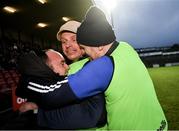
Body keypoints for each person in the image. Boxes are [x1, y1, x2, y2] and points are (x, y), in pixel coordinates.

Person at [24, 6, 168, 130]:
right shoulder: (126, 47)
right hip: (160, 124)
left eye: (83, 47)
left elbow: (51, 96)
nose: (87, 54)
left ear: (99, 45)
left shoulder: (99, 66)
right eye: (64, 41)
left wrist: (27, 83)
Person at [15, 49, 107, 129]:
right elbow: (96, 115)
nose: (68, 66)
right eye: (62, 63)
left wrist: (37, 111)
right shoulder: (37, 90)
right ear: (46, 69)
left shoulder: (38, 92)